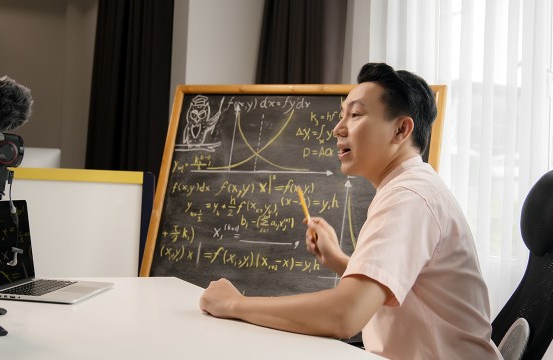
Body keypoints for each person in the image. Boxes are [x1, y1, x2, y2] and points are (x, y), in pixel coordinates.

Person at [199, 63, 502, 359]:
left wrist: (234, 305)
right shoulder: (412, 186)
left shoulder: (409, 197)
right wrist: (341, 262)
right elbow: (402, 288)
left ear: (401, 129)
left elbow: (344, 315)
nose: (337, 128)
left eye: (355, 115)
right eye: (342, 115)